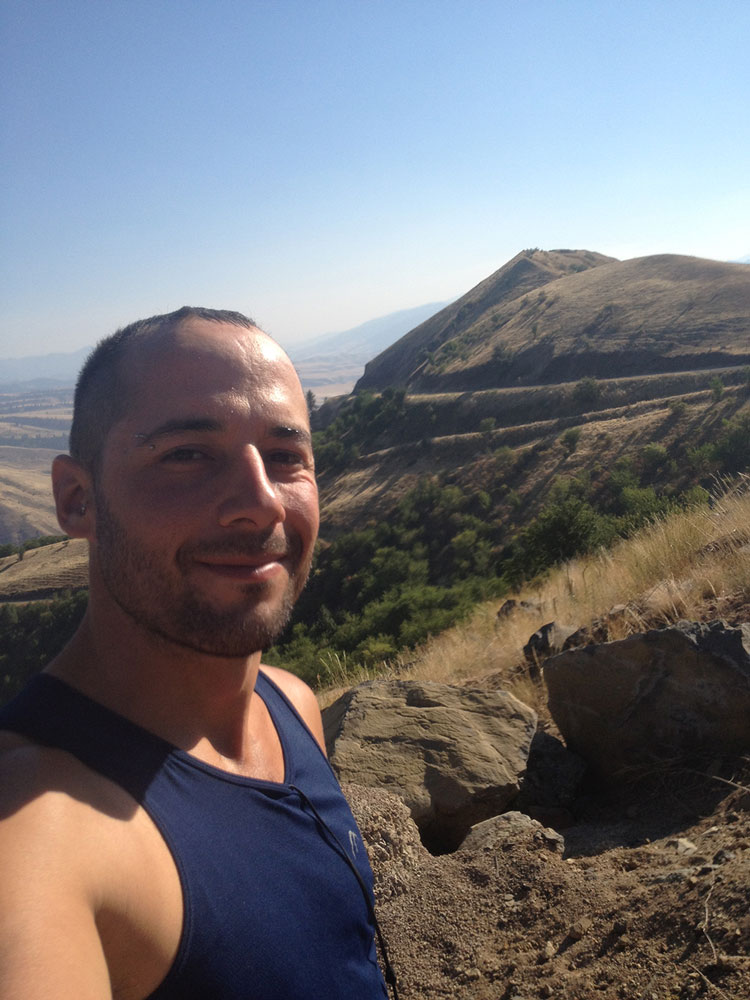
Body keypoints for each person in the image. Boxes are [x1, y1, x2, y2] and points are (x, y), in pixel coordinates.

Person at [0, 307, 395, 999]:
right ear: (77, 499)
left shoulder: (291, 706)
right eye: (187, 454)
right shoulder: (38, 825)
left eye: (286, 457)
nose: (261, 503)